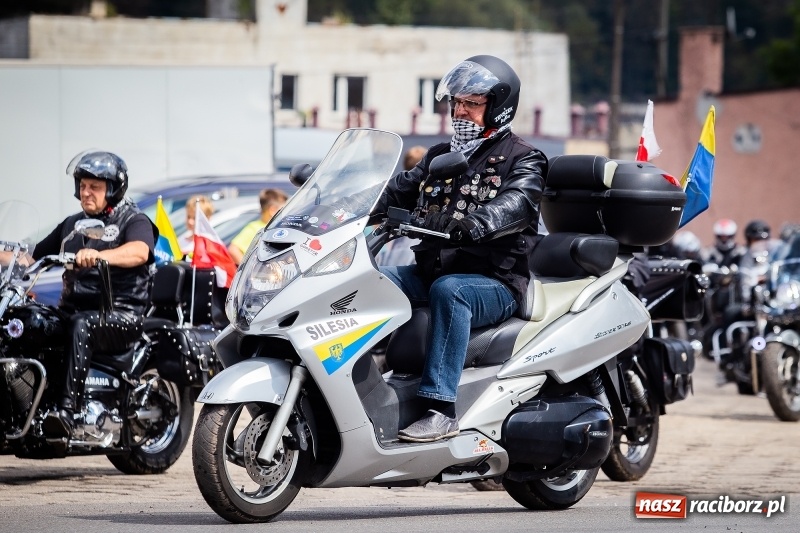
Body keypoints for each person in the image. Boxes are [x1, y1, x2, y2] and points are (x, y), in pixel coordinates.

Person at [372, 55, 547, 442]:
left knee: (449, 291)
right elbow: (397, 189)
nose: (460, 111)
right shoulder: (438, 156)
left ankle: (441, 408)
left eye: (472, 102)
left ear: (498, 107)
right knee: (369, 280)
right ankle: (363, 386)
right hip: (431, 269)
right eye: (456, 102)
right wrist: (342, 206)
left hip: (493, 282)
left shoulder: (524, 157)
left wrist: (475, 223)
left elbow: (518, 200)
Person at [31, 151, 157, 437]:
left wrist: (101, 256)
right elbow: (32, 256)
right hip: (73, 309)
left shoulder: (133, 220)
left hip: (121, 314)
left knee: (81, 324)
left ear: (112, 189)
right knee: (29, 322)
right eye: (83, 186)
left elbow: (140, 251)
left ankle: (67, 412)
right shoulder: (72, 224)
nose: (86, 192)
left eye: (95, 187)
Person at [228, 188, 288, 265]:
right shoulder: (255, 228)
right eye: (283, 210)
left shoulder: (279, 228)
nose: (286, 214)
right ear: (272, 210)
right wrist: (249, 269)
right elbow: (233, 250)